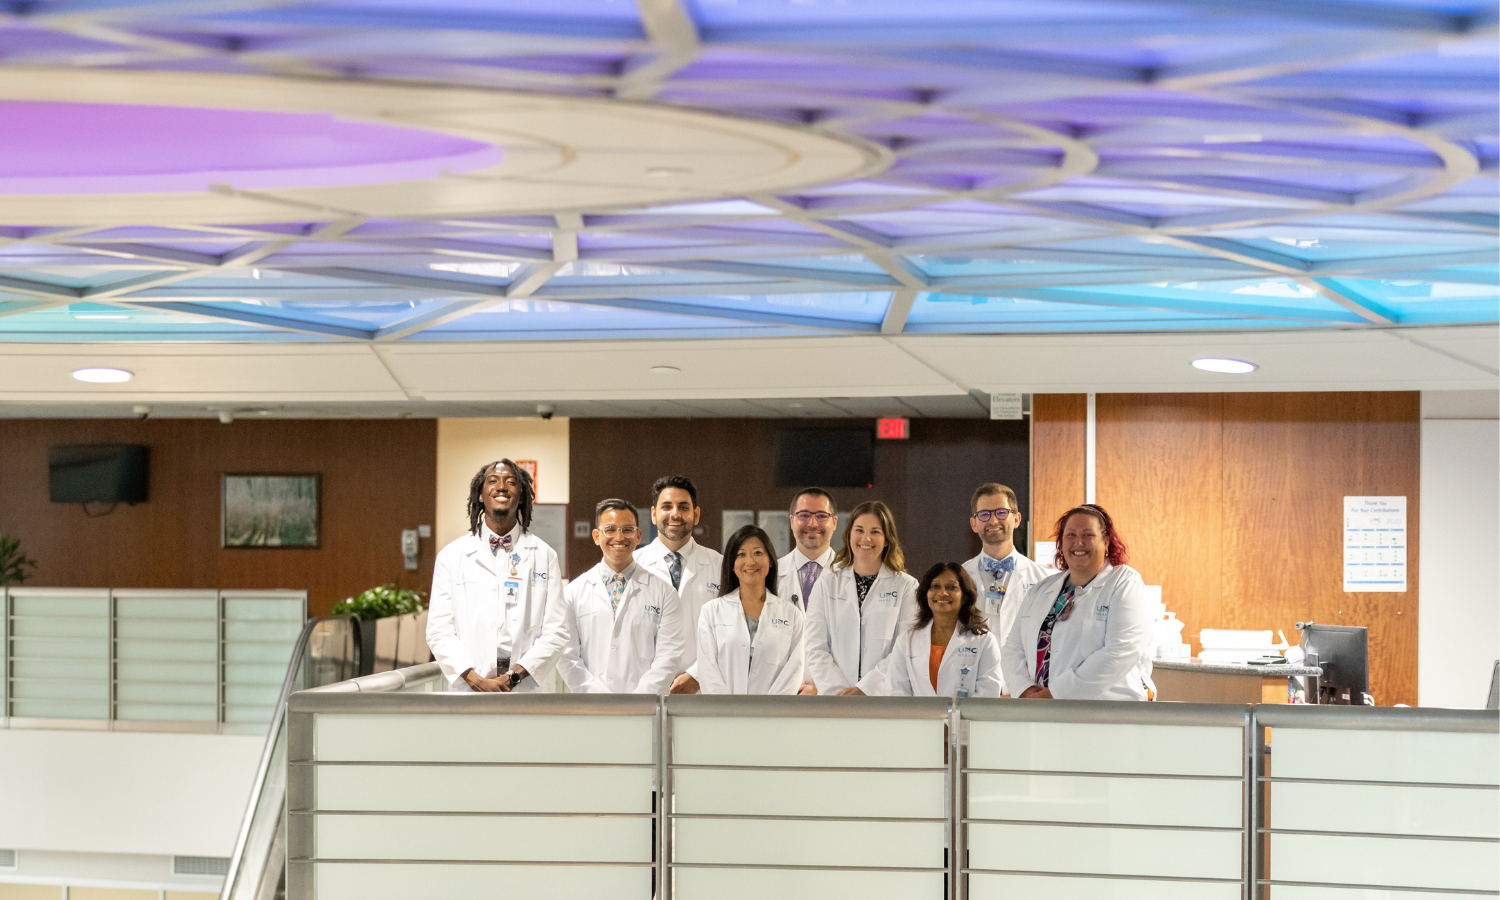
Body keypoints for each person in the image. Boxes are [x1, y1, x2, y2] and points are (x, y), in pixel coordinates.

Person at [427, 459, 563, 693]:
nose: (501, 487)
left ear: (521, 496)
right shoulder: (451, 556)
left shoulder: (544, 555)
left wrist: (515, 677)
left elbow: (557, 630)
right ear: (480, 495)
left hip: (525, 690)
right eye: (493, 481)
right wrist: (475, 680)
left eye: (511, 482)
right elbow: (439, 631)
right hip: (470, 690)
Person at [1001, 504, 1155, 701]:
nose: (1078, 543)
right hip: (1041, 711)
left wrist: (1054, 695)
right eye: (1070, 535)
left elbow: (1120, 651)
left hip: (1105, 713)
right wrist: (1027, 691)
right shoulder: (1040, 590)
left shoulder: (1123, 582)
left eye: (1088, 535)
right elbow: (1013, 648)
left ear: (1106, 541)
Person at [538, 499, 685, 694]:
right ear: (597, 536)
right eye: (610, 529)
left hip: (646, 709)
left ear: (638, 535)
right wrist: (601, 700)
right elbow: (568, 657)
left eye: (627, 529)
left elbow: (668, 657)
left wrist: (639, 702)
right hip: (592, 710)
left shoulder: (664, 593)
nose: (619, 537)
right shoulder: (572, 593)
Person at [804, 500, 919, 696]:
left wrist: (865, 690)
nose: (866, 538)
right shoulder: (826, 584)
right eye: (859, 530)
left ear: (887, 539)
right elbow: (815, 647)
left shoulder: (907, 587)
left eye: (875, 532)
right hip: (836, 701)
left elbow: (906, 649)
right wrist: (840, 693)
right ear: (849, 535)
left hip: (885, 698)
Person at [634, 475, 722, 695]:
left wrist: (697, 675)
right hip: (643, 689)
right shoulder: (633, 565)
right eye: (666, 507)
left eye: (683, 507)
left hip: (702, 689)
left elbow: (730, 630)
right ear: (654, 514)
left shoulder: (719, 565)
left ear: (696, 515)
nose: (675, 514)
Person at [696, 525, 805, 695]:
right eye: (741, 554)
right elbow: (707, 671)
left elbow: (793, 672)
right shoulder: (711, 612)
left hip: (773, 717)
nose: (750, 561)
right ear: (732, 564)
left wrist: (768, 714)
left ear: (770, 561)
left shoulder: (792, 615)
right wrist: (728, 714)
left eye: (758, 553)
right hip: (724, 717)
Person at [961, 483, 1049, 689]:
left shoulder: (1042, 580)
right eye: (984, 514)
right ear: (974, 524)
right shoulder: (959, 578)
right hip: (974, 687)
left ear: (1016, 519)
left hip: (1023, 688)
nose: (993, 520)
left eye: (1001, 512)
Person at [879, 562, 1001, 698]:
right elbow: (896, 692)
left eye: (952, 587)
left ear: (965, 596)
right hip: (919, 719)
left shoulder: (984, 641)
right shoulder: (906, 640)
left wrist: (954, 718)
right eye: (935, 586)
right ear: (926, 594)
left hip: (966, 719)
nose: (942, 593)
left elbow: (988, 694)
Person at [777, 487, 838, 695]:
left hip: (834, 699)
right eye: (804, 515)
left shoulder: (849, 577)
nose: (812, 524)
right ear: (792, 520)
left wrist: (823, 688)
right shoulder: (770, 576)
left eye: (821, 516)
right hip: (781, 697)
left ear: (834, 522)